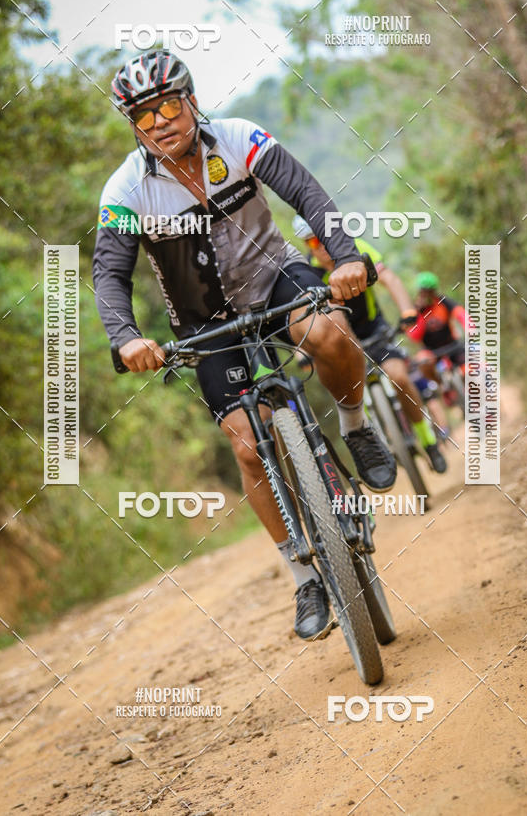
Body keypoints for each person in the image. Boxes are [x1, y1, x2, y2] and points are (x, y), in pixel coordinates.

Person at [93, 50, 397, 642]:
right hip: (203, 321)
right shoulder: (126, 189)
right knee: (248, 446)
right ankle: (303, 573)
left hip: (276, 278)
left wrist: (346, 258)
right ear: (132, 125)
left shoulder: (239, 140)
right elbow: (109, 273)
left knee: (328, 330)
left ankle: (356, 427)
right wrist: (126, 337)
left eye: (168, 107)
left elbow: (308, 195)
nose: (159, 123)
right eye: (143, 117)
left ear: (192, 102)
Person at [293, 217, 447, 473]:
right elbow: (300, 317)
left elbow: (390, 280)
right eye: (311, 242)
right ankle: (374, 446)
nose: (320, 247)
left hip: (374, 331)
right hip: (343, 344)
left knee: (400, 377)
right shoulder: (308, 272)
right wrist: (302, 352)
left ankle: (428, 441)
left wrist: (408, 310)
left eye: (324, 237)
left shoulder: (354, 250)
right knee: (352, 398)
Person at [408, 272, 470, 432]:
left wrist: (470, 327)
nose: (427, 294)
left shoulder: (443, 302)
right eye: (424, 291)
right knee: (422, 361)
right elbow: (414, 336)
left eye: (430, 291)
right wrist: (420, 314)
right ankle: (442, 387)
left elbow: (460, 313)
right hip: (432, 352)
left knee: (471, 370)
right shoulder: (416, 310)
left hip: (452, 345)